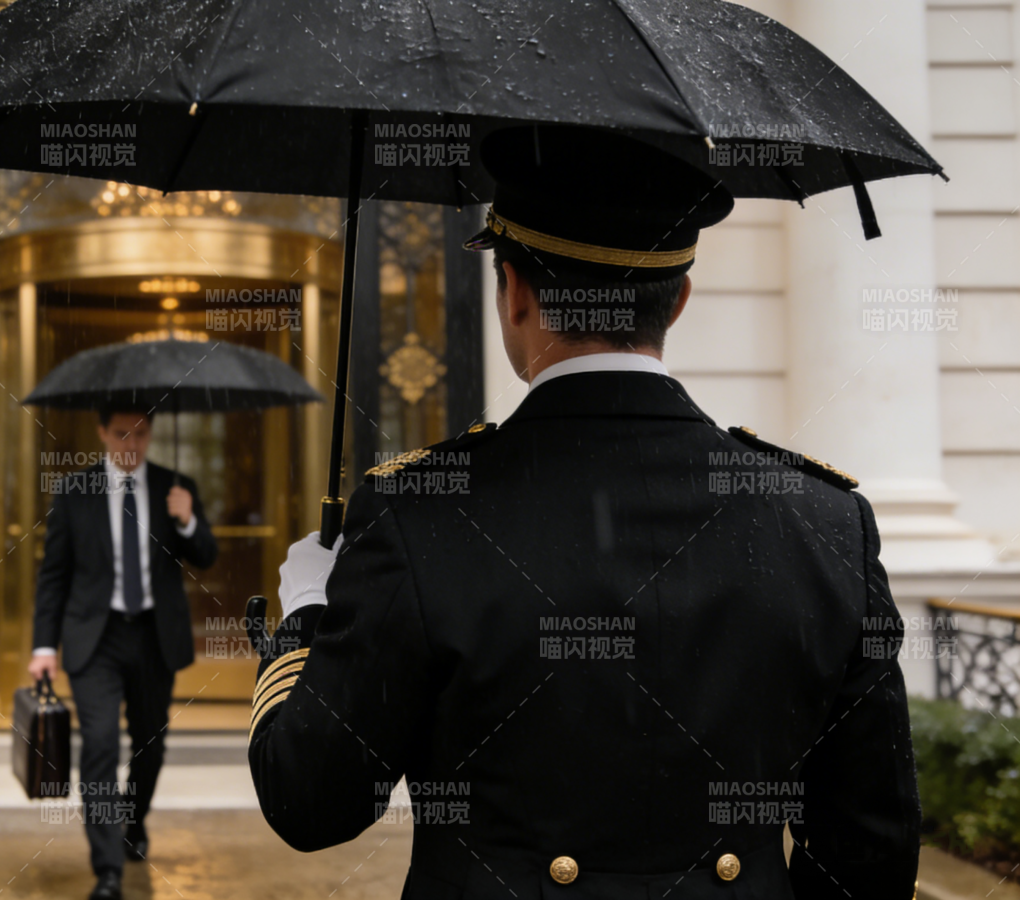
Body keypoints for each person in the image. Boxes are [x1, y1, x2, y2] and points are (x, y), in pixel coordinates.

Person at [247, 126, 921, 899]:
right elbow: (872, 849)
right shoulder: (825, 521)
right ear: (680, 300)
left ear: (515, 293)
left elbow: (310, 801)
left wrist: (309, 609)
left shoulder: (415, 514)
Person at [29, 404, 219, 900]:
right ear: (102, 433)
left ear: (150, 433)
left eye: (140, 434)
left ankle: (133, 824)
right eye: (121, 435)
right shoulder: (74, 492)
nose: (131, 445)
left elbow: (206, 555)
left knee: (150, 745)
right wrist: (44, 645)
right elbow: (53, 576)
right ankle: (108, 866)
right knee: (99, 744)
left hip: (154, 636)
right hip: (96, 637)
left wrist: (187, 520)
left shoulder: (175, 486)